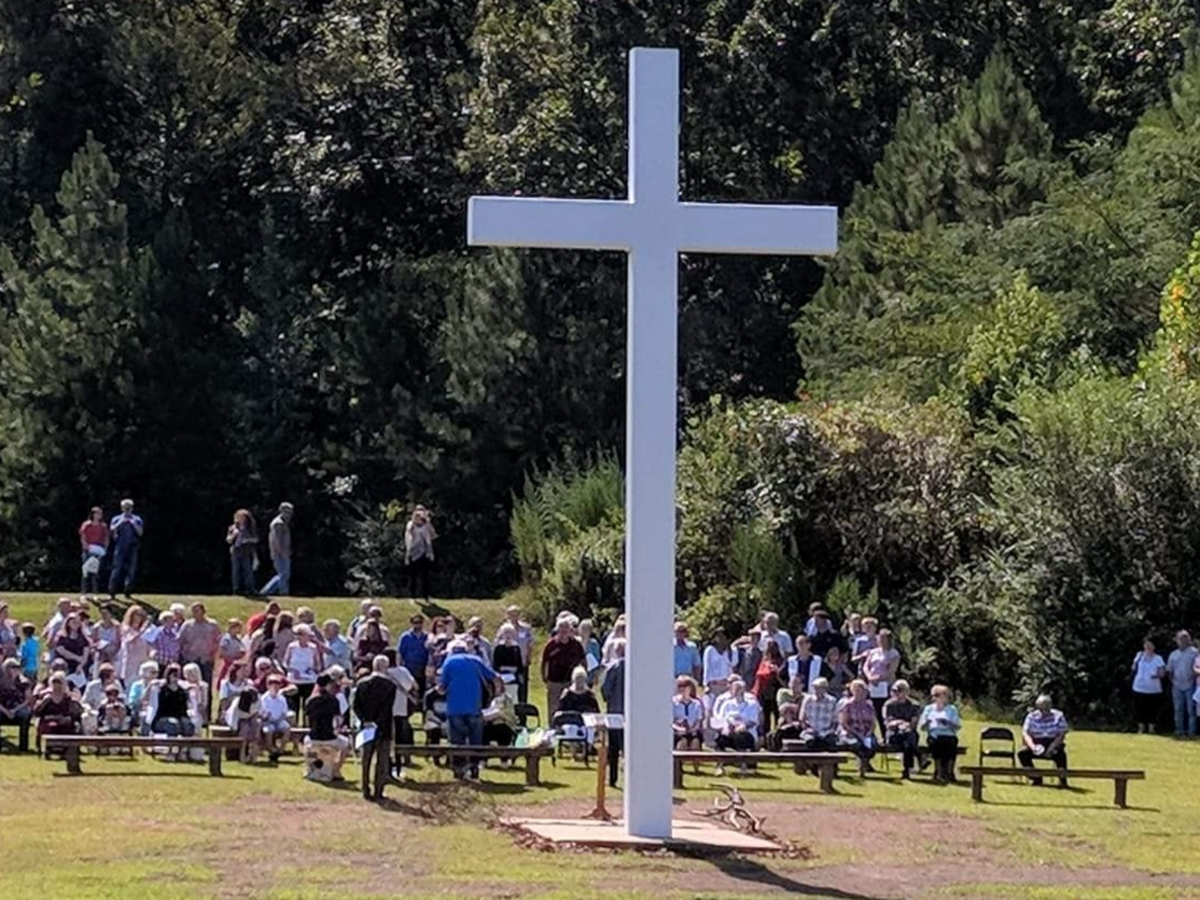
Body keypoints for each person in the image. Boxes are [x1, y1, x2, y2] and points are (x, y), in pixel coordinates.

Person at [440, 639, 501, 781]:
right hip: (474, 707)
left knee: (457, 741)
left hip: (455, 708)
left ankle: (459, 770)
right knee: (475, 740)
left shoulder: (449, 662)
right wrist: (497, 694)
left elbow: (442, 686)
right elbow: (495, 677)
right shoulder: (476, 660)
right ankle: (474, 768)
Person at [354, 655, 398, 801]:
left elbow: (356, 705)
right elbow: (387, 708)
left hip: (366, 727)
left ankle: (365, 789)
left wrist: (365, 720)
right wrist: (377, 722)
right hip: (383, 727)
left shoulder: (362, 684)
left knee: (366, 759)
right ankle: (379, 790)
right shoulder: (390, 686)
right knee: (382, 761)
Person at [304, 673, 349, 782]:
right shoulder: (333, 700)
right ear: (327, 685)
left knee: (306, 741)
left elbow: (307, 721)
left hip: (314, 737)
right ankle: (336, 770)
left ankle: (309, 768)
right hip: (329, 737)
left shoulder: (310, 701)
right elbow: (337, 721)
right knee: (346, 743)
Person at [711, 677, 761, 774]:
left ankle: (743, 767)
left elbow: (753, 721)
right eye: (735, 689)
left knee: (741, 737)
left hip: (746, 732)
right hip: (730, 731)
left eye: (739, 689)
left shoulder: (752, 704)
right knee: (720, 738)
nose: (737, 691)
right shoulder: (727, 704)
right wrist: (726, 727)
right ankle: (720, 767)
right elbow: (721, 719)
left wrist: (743, 726)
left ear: (743, 690)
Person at [1018, 694, 1070, 786]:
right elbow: (1026, 733)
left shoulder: (1058, 715)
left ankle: (1063, 780)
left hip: (1053, 743)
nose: (1044, 710)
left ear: (1050, 706)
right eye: (1042, 708)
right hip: (1036, 742)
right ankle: (1036, 778)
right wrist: (1033, 747)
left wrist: (1051, 748)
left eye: (1046, 707)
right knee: (1022, 754)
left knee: (1061, 755)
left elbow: (1061, 734)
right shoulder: (1031, 716)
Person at [919, 684, 962, 784]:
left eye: (938, 695)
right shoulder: (929, 709)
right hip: (934, 734)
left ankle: (949, 772)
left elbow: (957, 726)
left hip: (949, 734)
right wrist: (927, 723)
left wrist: (947, 723)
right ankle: (939, 772)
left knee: (951, 744)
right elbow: (922, 727)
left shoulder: (952, 709)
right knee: (936, 743)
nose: (936, 698)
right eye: (934, 695)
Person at [542, 620, 585, 720]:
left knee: (571, 706)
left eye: (566, 628)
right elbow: (545, 663)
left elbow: (583, 660)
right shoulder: (551, 645)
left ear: (570, 629)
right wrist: (544, 677)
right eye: (561, 628)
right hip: (554, 681)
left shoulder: (576, 644)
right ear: (557, 629)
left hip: (571, 681)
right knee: (554, 706)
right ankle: (553, 725)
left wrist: (582, 676)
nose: (564, 630)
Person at [385, 651, 417, 779]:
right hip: (400, 709)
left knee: (387, 740)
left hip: (386, 711)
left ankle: (388, 768)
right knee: (399, 740)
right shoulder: (403, 671)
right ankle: (398, 768)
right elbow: (413, 686)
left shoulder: (383, 673)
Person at [837, 679, 878, 776]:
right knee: (857, 744)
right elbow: (844, 723)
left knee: (872, 745)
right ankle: (862, 767)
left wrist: (869, 732)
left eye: (863, 691)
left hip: (866, 732)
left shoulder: (869, 706)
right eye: (857, 691)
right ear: (853, 691)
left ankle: (864, 764)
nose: (860, 693)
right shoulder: (847, 705)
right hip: (851, 733)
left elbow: (873, 722)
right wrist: (857, 734)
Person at [882, 680, 922, 779]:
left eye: (899, 690)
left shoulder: (914, 705)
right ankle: (919, 758)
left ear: (906, 692)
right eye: (894, 691)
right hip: (893, 734)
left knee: (908, 739)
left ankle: (906, 771)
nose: (896, 693)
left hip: (908, 732)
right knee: (909, 740)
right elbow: (888, 723)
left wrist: (905, 725)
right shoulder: (888, 705)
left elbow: (914, 723)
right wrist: (900, 723)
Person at [179, 602, 220, 695]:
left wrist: (213, 654)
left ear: (203, 611)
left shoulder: (212, 625)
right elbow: (180, 640)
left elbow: (218, 641)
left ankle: (206, 703)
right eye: (193, 611)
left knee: (206, 684)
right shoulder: (187, 625)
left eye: (197, 611)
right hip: (190, 659)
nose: (195, 613)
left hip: (206, 659)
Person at [600, 639, 625, 788]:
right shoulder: (638, 667)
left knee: (614, 747)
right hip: (632, 713)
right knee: (630, 747)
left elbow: (605, 690)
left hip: (615, 712)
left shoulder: (613, 667)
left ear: (616, 651)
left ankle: (613, 779)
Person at [284, 625, 322, 721]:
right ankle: (294, 723)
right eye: (298, 634)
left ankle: (307, 723)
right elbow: (285, 663)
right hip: (294, 680)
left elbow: (318, 664)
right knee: (293, 705)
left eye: (303, 634)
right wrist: (292, 670)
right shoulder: (291, 647)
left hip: (309, 680)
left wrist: (313, 669)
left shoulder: (313, 648)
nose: (300, 637)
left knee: (307, 704)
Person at [862, 629, 900, 726]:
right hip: (873, 684)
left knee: (886, 708)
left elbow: (891, 670)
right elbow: (866, 666)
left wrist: (878, 678)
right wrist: (869, 677)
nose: (881, 640)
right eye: (880, 638)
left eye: (883, 638)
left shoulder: (893, 653)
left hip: (886, 684)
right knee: (875, 708)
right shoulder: (873, 652)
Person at [107, 499, 144, 600]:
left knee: (131, 570)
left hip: (133, 547)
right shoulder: (116, 518)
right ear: (122, 508)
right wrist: (121, 522)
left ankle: (128, 591)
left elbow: (140, 533)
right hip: (120, 546)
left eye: (129, 507)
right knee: (117, 569)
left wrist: (133, 523)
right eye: (125, 507)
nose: (127, 510)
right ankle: (112, 592)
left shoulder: (137, 519)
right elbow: (112, 530)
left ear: (132, 508)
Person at [148, 664, 196, 739]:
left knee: (188, 725)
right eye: (174, 675)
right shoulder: (161, 689)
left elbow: (187, 706)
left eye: (177, 675)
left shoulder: (182, 690)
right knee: (173, 724)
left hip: (180, 717)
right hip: (162, 718)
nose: (175, 677)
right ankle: (171, 745)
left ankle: (186, 745)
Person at [498, 606, 534, 703]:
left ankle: (522, 707)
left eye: (516, 614)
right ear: (508, 615)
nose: (514, 617)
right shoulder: (503, 628)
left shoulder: (526, 628)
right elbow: (498, 643)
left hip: (522, 663)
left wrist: (529, 657)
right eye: (512, 614)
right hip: (507, 664)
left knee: (522, 687)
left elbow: (530, 643)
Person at [1131, 638, 1167, 734]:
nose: (1148, 646)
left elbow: (1162, 673)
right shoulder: (1139, 655)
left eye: (1150, 645)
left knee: (1152, 709)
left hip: (1153, 688)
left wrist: (1156, 675)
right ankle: (1141, 728)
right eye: (1146, 644)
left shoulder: (1158, 658)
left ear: (1154, 647)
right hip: (1139, 687)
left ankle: (1151, 729)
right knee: (1139, 708)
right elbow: (1133, 667)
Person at [1167, 630, 1199, 738]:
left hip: (1191, 685)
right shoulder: (1173, 654)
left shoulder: (1194, 652)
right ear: (1177, 640)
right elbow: (1170, 670)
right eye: (1181, 638)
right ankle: (1179, 731)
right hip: (1177, 686)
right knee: (1178, 709)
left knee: (1191, 710)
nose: (1184, 640)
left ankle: (1191, 732)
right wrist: (1173, 682)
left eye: (1186, 637)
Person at [34, 673, 82, 743]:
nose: (57, 685)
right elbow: (37, 713)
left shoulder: (69, 699)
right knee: (50, 727)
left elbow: (77, 714)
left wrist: (68, 718)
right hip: (49, 723)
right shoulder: (47, 699)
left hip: (65, 723)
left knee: (68, 727)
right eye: (54, 682)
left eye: (59, 682)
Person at [751, 640, 786, 733]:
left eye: (773, 647)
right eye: (769, 648)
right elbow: (759, 674)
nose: (772, 650)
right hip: (765, 690)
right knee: (766, 713)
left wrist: (777, 670)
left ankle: (777, 733)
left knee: (777, 713)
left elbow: (782, 675)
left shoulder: (781, 661)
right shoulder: (764, 661)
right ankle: (766, 734)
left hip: (776, 689)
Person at [261, 502, 295, 596]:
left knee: (283, 574)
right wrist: (282, 552)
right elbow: (276, 540)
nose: (290, 514)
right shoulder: (278, 524)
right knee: (284, 574)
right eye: (288, 511)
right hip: (280, 553)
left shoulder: (282, 523)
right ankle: (283, 593)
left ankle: (265, 592)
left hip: (283, 552)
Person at [797, 677, 840, 752]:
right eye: (815, 688)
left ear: (825, 689)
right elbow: (801, 718)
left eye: (819, 688)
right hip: (810, 731)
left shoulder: (832, 701)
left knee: (831, 743)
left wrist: (831, 730)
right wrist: (806, 728)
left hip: (826, 731)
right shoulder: (808, 700)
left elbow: (835, 721)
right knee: (810, 742)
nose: (816, 690)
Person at [0, 657, 33, 752]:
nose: (15, 670)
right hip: (3, 708)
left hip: (18, 708)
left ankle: (23, 746)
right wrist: (6, 711)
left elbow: (28, 700)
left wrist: (14, 710)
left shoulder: (24, 682)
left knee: (25, 714)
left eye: (17, 667)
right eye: (12, 667)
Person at [404, 505, 437, 600]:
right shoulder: (411, 524)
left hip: (424, 553)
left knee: (425, 576)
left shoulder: (426, 525)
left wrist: (428, 521)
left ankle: (426, 596)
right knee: (413, 576)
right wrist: (414, 519)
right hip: (413, 552)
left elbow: (433, 535)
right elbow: (409, 532)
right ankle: (413, 596)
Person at [226, 509, 259, 596]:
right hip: (235, 552)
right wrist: (233, 535)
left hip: (246, 552)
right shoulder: (232, 528)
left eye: (242, 517)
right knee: (235, 571)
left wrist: (248, 540)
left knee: (248, 571)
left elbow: (256, 539)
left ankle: (250, 589)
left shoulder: (250, 528)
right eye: (238, 517)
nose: (240, 519)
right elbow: (228, 540)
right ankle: (236, 589)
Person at [259, 675, 293, 761]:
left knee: (286, 727)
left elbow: (284, 712)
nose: (275, 687)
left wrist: (281, 717)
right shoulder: (263, 699)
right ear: (268, 686)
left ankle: (281, 750)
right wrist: (266, 717)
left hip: (279, 720)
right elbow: (261, 713)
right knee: (269, 730)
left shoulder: (282, 699)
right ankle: (271, 749)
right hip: (267, 721)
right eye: (272, 684)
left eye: (277, 685)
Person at [226, 686, 263, 763]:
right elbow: (233, 718)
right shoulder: (236, 705)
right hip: (240, 720)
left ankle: (253, 756)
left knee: (256, 731)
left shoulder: (258, 700)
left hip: (252, 718)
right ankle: (242, 757)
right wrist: (234, 728)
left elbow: (259, 712)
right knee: (244, 734)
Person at [54, 614, 91, 691]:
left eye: (77, 621)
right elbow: (62, 651)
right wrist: (77, 658)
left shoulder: (83, 638)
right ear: (68, 623)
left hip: (78, 668)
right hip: (63, 666)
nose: (75, 623)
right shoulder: (62, 636)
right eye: (73, 620)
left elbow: (86, 654)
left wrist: (81, 665)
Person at [78, 507, 110, 596]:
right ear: (93, 514)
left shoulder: (103, 526)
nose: (100, 515)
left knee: (96, 572)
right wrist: (86, 546)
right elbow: (83, 536)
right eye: (98, 513)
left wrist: (105, 548)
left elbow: (106, 538)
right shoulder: (86, 524)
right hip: (88, 550)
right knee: (85, 570)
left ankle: (95, 592)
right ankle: (84, 591)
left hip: (99, 550)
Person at [398, 615, 430, 698]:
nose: (418, 625)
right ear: (411, 623)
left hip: (422, 668)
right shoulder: (405, 637)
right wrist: (400, 667)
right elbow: (400, 653)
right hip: (409, 667)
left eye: (420, 622)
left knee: (422, 690)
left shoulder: (427, 637)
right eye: (415, 622)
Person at [702, 628, 739, 696]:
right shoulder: (710, 650)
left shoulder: (733, 650)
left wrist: (729, 651)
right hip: (714, 684)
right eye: (718, 636)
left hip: (728, 684)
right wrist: (706, 684)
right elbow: (707, 667)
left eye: (722, 636)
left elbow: (734, 664)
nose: (720, 638)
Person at [672, 675, 704, 751]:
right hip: (678, 732)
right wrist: (678, 729)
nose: (682, 689)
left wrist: (692, 730)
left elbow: (698, 721)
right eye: (680, 686)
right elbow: (670, 721)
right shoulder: (673, 702)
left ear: (690, 688)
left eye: (685, 686)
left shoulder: (696, 703)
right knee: (682, 743)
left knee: (695, 742)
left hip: (693, 731)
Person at [127, 660, 159, 734]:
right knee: (145, 716)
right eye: (153, 672)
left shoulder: (159, 685)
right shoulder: (136, 685)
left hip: (157, 710)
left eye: (157, 672)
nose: (156, 675)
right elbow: (133, 702)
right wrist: (149, 687)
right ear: (144, 673)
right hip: (140, 710)